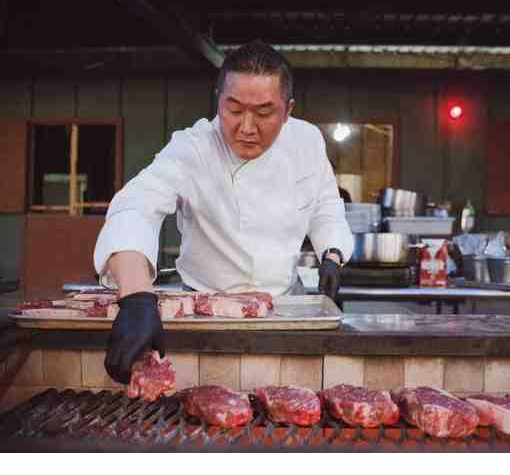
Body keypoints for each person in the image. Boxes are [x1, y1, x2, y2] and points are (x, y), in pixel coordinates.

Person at [94, 41, 354, 384]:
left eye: (264, 113)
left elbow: (325, 206)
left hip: (284, 310)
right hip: (206, 313)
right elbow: (136, 207)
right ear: (218, 100)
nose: (246, 127)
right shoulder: (193, 147)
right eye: (233, 110)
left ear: (287, 110)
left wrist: (332, 254)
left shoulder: (306, 141)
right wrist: (136, 296)